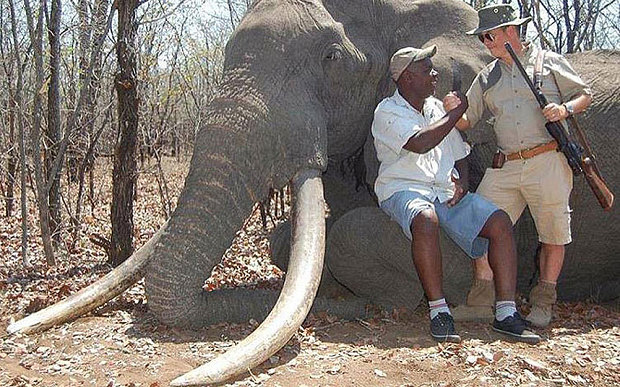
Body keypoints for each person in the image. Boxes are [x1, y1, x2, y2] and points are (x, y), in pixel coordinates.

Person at [372, 45, 540, 343]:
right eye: (427, 70)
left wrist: (462, 180)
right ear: (408, 77)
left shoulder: (436, 107)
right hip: (403, 189)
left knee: (500, 222)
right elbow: (421, 142)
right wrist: (458, 112)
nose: (434, 74)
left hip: (443, 190)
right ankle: (439, 311)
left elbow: (459, 151)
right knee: (425, 218)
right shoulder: (386, 111)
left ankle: (505, 312)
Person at [444, 4, 593, 327]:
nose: (485, 42)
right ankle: (482, 300)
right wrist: (453, 111)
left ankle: (543, 302)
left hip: (548, 160)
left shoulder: (548, 62)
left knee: (553, 234)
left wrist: (564, 109)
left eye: (489, 35)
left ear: (511, 31)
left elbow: (585, 95)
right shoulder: (487, 77)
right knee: (480, 224)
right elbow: (470, 120)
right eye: (482, 37)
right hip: (506, 165)